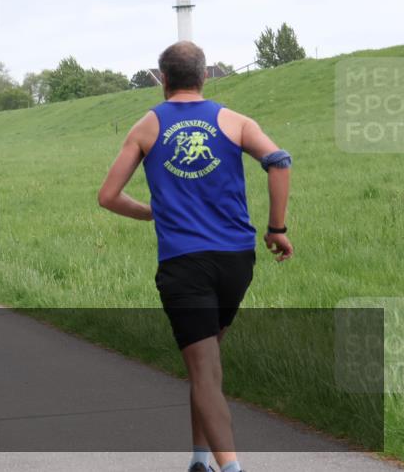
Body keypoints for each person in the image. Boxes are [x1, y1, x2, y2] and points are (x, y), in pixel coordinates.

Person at [98, 41, 294, 472]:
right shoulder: (235, 121)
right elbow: (279, 162)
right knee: (206, 364)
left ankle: (231, 467)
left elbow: (108, 196)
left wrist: (150, 211)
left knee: (203, 369)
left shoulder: (147, 126)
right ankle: (199, 460)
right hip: (236, 262)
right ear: (204, 76)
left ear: (162, 79)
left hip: (184, 264)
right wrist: (276, 228)